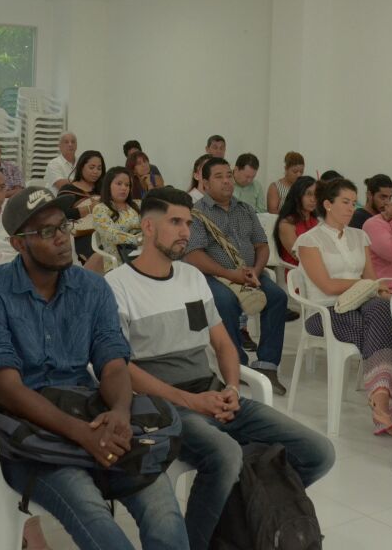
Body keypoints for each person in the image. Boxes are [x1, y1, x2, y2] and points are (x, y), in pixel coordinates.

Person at [105, 187, 334, 549]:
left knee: (318, 452)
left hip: (212, 392)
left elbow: (224, 343)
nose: (186, 231)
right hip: (161, 406)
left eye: (189, 223)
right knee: (225, 455)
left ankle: (236, 518)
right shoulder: (116, 287)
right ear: (148, 227)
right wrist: (190, 401)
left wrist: (230, 387)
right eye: (176, 222)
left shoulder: (191, 278)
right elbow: (120, 368)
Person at [0, 188, 189, 550]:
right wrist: (82, 434)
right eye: (45, 232)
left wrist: (118, 412)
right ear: (18, 244)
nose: (61, 238)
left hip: (90, 412)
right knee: (93, 515)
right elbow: (7, 387)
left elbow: (113, 361)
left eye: (63, 226)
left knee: (164, 510)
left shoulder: (93, 288)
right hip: (29, 432)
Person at [294, 179, 392, 443]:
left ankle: (380, 400)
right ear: (327, 204)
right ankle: (390, 412)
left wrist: (377, 289)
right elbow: (327, 286)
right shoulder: (308, 240)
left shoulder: (359, 236)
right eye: (345, 202)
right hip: (325, 312)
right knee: (386, 330)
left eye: (354, 203)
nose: (351, 208)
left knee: (382, 309)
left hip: (363, 305)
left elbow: (372, 279)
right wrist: (368, 285)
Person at [184, 158, 289, 395]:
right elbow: (194, 255)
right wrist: (230, 274)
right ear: (206, 183)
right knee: (225, 302)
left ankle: (267, 366)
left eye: (229, 176)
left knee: (277, 298)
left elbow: (262, 245)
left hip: (250, 273)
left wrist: (257, 269)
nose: (226, 181)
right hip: (214, 275)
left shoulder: (246, 209)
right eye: (219, 177)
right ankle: (237, 363)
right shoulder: (197, 213)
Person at [57, 150, 106, 268]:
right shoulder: (68, 189)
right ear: (81, 167)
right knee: (99, 256)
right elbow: (60, 215)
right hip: (81, 235)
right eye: (92, 167)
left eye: (99, 168)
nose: (95, 172)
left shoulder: (104, 189)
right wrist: (89, 208)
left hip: (105, 231)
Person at [91, 166, 142, 270]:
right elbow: (111, 235)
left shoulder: (136, 205)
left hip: (141, 256)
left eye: (127, 185)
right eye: (119, 184)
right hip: (118, 263)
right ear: (108, 185)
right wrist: (137, 239)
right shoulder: (100, 209)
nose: (124, 188)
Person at [273, 175, 318, 266]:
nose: (313, 199)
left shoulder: (316, 221)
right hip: (296, 272)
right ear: (298, 195)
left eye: (316, 195)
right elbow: (299, 256)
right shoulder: (286, 224)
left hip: (318, 268)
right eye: (308, 194)